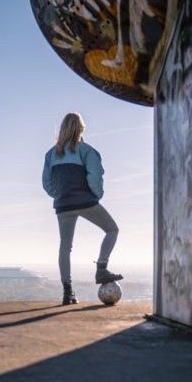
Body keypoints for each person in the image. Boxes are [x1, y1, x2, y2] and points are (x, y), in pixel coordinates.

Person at [42, 112, 123, 305]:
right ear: (81, 129)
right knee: (112, 230)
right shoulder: (87, 150)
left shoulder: (51, 154)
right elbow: (95, 177)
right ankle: (102, 268)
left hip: (63, 205)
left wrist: (60, 194)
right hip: (85, 201)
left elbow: (46, 183)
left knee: (65, 246)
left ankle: (67, 292)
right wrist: (95, 196)